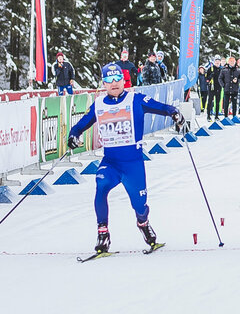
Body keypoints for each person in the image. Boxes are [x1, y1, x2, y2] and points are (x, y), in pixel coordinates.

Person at [67, 62, 184, 254]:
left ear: (123, 80)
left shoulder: (135, 99)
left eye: (117, 79)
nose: (114, 84)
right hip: (111, 162)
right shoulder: (99, 104)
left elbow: (161, 107)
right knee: (101, 185)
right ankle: (103, 233)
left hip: (133, 165)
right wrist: (73, 136)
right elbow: (80, 126)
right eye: (109, 80)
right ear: (103, 83)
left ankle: (143, 223)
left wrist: (175, 113)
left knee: (140, 206)